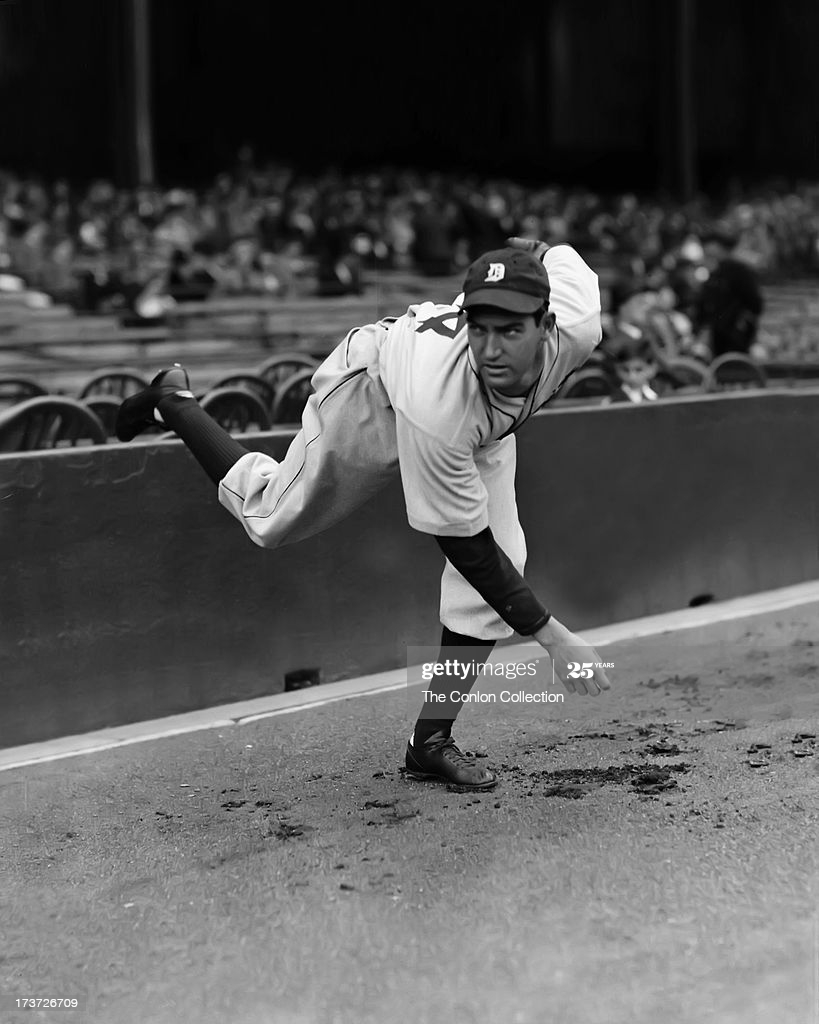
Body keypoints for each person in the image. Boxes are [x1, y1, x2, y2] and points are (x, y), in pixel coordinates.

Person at [116, 238, 613, 791]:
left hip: (485, 420)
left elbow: (548, 251)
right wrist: (554, 637)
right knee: (269, 518)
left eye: (510, 330)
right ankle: (174, 400)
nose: (491, 348)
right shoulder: (436, 407)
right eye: (479, 327)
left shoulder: (579, 319)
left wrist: (519, 254)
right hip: (378, 387)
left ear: (548, 325)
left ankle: (428, 744)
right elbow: (466, 546)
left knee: (504, 569)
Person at [694, 230, 765, 358]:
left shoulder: (740, 271)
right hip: (716, 335)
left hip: (736, 333)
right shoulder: (713, 269)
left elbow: (755, 304)